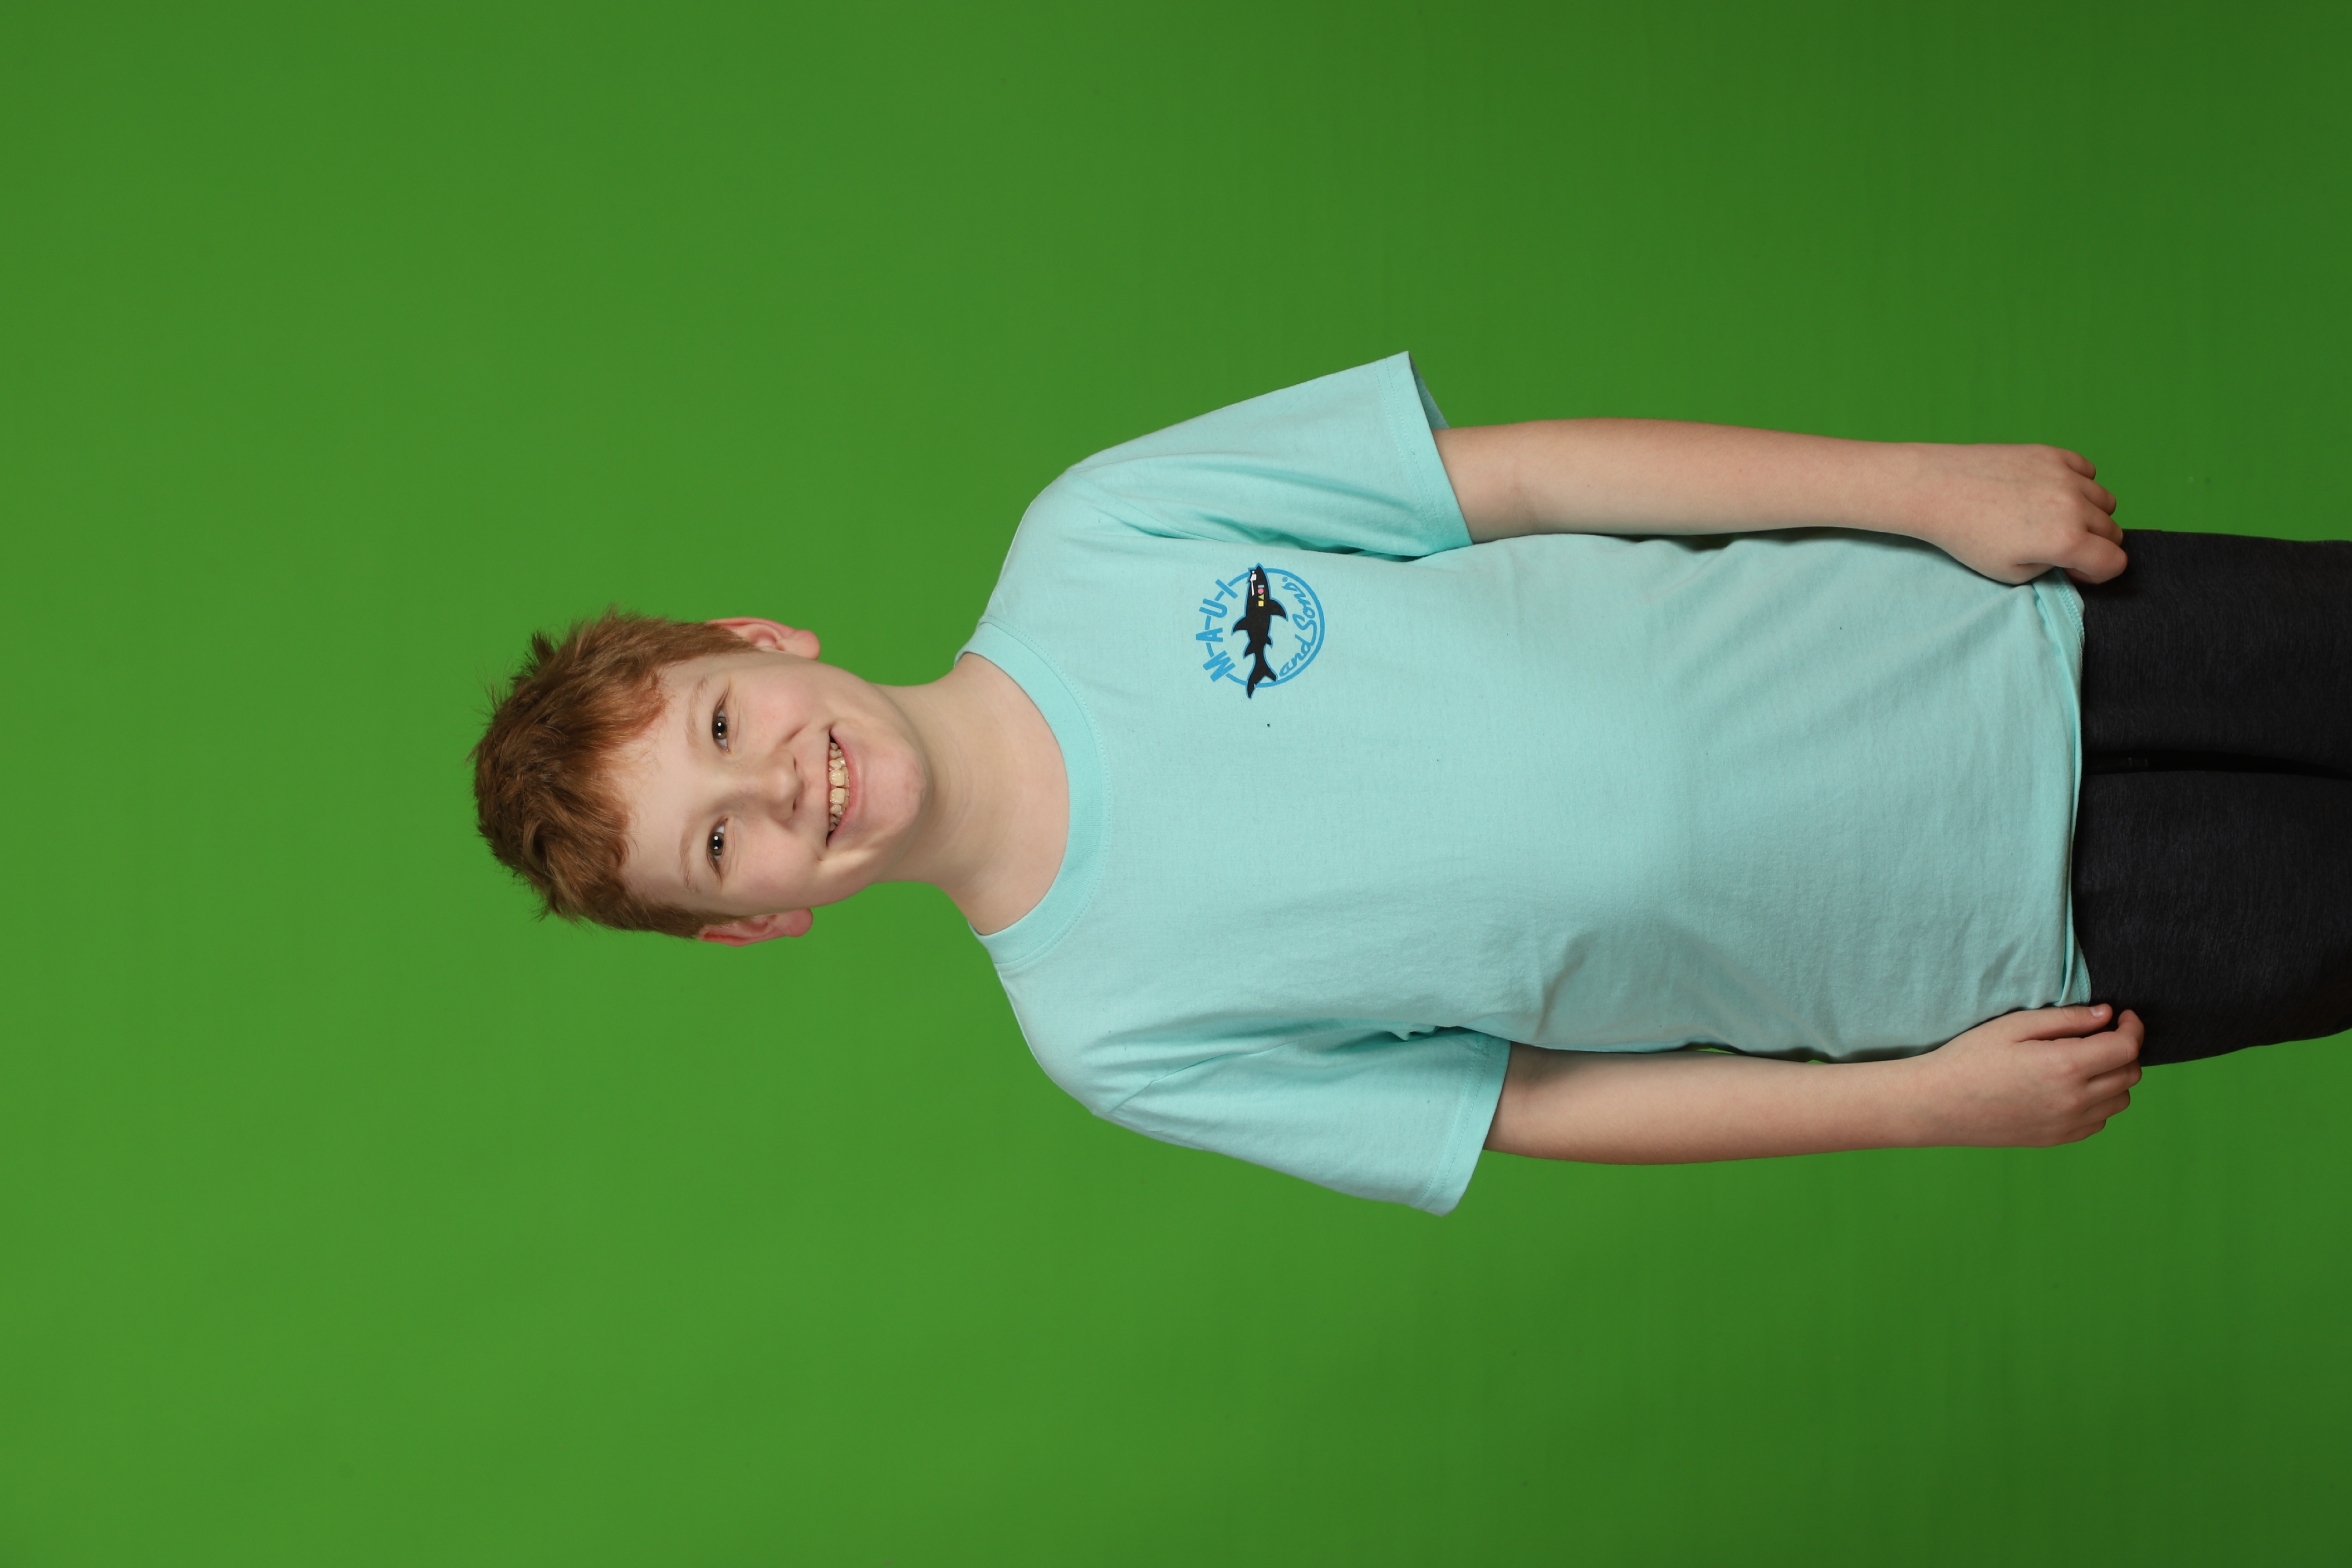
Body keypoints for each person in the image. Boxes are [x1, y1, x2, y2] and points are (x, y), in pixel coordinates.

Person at [470, 354, 2352, 1213]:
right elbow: (1523, 1105)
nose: (779, 788)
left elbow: (1515, 480)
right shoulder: (1109, 1036)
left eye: (723, 724)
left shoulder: (1098, 532)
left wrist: (1916, 486)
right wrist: (1913, 1106)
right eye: (720, 843)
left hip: (1982, 634)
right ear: (757, 923)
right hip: (1991, 949)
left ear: (760, 639)